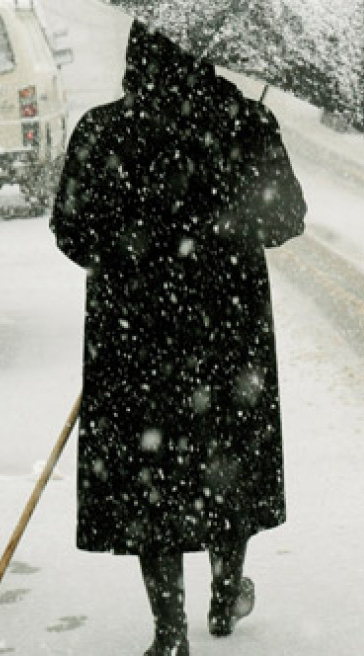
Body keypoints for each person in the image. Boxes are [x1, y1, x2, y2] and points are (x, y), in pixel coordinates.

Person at [49, 20, 307, 656]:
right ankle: (225, 590)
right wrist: (229, 202)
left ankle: (169, 630)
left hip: (136, 335)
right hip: (228, 330)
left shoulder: (103, 129)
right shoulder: (245, 124)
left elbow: (72, 231)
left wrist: (136, 252)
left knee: (151, 476)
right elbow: (286, 220)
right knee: (228, 461)